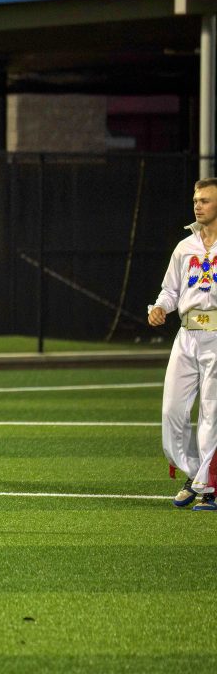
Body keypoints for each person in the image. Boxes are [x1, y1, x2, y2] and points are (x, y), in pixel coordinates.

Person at [149, 177, 217, 511]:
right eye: (195, 200)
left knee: (211, 413)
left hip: (216, 335)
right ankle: (197, 473)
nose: (197, 206)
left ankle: (209, 486)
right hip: (186, 335)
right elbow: (170, 290)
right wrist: (160, 307)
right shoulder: (184, 247)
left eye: (205, 200)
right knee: (172, 412)